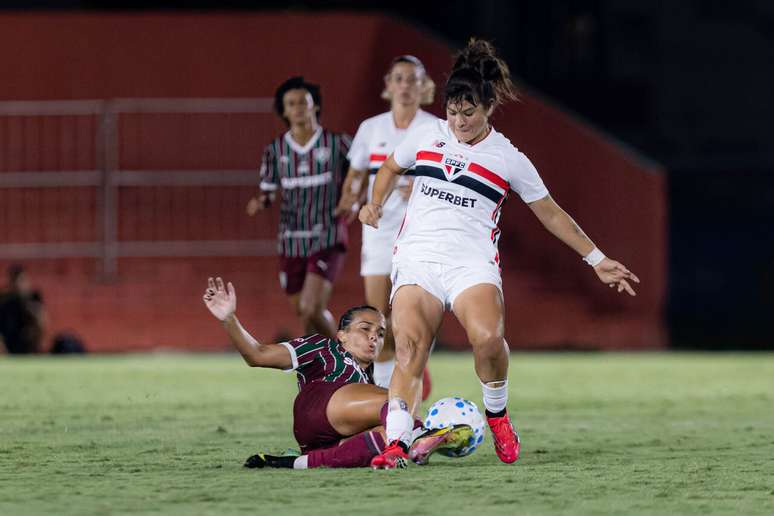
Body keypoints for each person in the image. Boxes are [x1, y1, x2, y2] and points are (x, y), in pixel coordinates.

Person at [359, 39, 641, 469]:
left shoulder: (507, 157)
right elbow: (390, 167)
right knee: (408, 348)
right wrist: (375, 202)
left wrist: (596, 258)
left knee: (488, 340)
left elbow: (550, 213)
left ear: (488, 107)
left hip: (470, 265)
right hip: (417, 258)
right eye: (453, 112)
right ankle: (397, 443)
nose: (458, 121)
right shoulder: (425, 134)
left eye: (468, 113)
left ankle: (497, 415)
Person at [202, 277, 471, 469]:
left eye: (379, 333)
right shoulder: (322, 346)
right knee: (396, 405)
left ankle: (292, 463)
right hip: (316, 405)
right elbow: (257, 355)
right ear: (341, 335)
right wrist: (229, 320)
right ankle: (421, 433)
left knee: (386, 434)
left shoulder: (369, 377)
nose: (373, 338)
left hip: (323, 440)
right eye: (364, 329)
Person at [335, 55, 437, 392]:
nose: (406, 85)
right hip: (378, 230)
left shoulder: (435, 127)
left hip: (419, 231)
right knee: (377, 316)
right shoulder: (372, 127)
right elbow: (355, 174)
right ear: (388, 85)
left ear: (424, 86)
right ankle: (382, 394)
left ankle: (408, 376)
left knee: (408, 317)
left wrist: (421, 186)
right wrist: (349, 199)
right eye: (399, 78)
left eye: (413, 79)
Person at [246, 76, 351, 340]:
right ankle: (321, 372)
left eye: (303, 102)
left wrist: (355, 200)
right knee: (305, 313)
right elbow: (268, 190)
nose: (298, 108)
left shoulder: (337, 144)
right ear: (283, 110)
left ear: (315, 105)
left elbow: (359, 178)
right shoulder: (276, 150)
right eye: (291, 104)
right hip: (291, 240)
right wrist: (261, 201)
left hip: (326, 235)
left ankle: (351, 361)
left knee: (310, 306)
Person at [0, 264, 46, 354]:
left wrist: (31, 309)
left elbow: (42, 322)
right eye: (16, 281)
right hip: (8, 340)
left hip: (26, 340)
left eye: (22, 280)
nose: (19, 285)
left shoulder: (33, 297)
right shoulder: (4, 300)